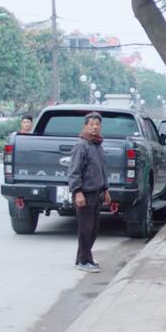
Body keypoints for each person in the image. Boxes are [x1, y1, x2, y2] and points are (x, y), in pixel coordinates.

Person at [67, 112, 110, 272]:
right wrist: (77, 192)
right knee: (85, 229)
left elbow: (102, 169)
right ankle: (84, 261)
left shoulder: (97, 146)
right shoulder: (81, 146)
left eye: (97, 124)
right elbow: (74, 171)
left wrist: (105, 189)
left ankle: (83, 258)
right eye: (91, 124)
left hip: (97, 193)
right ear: (85, 126)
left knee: (93, 229)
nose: (95, 127)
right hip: (85, 194)